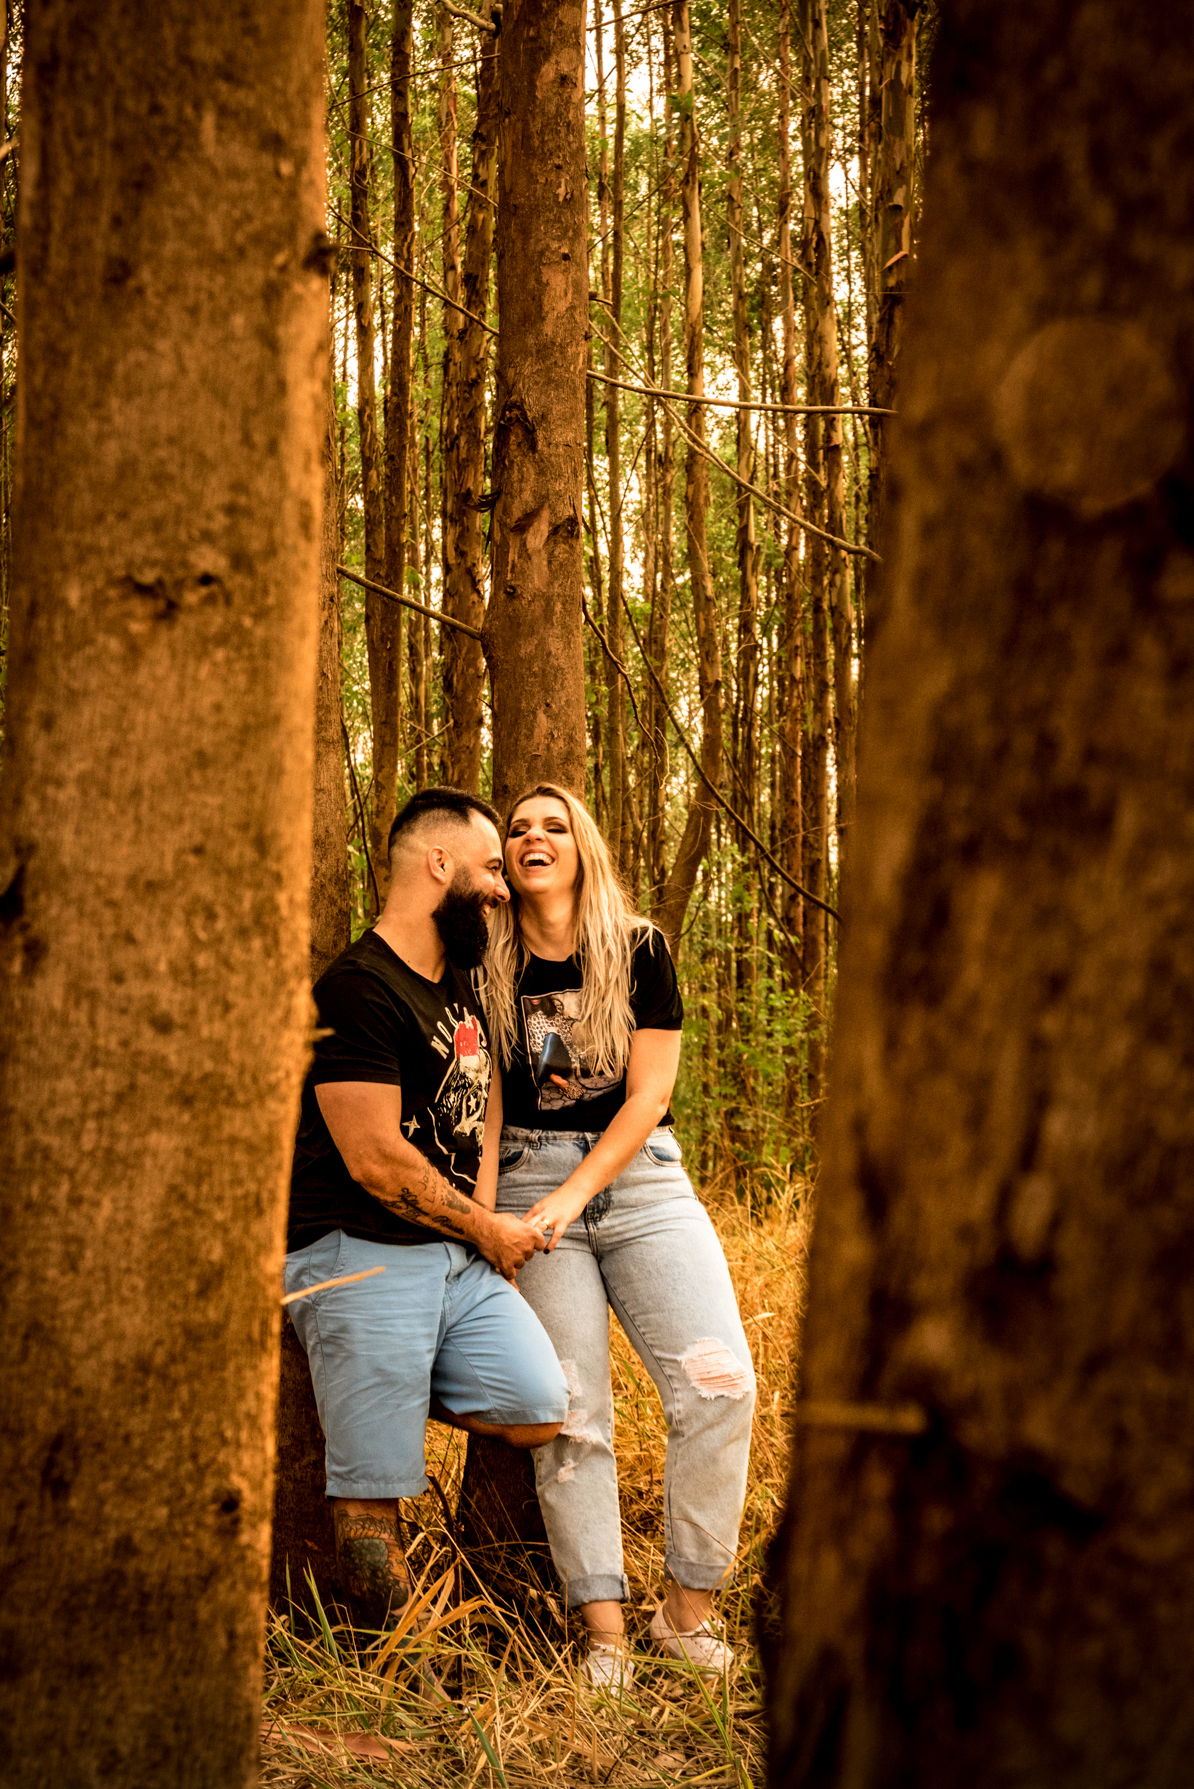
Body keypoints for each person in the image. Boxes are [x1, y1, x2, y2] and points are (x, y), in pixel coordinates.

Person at [481, 783, 756, 1688]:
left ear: (581, 845)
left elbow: (648, 1096)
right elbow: (483, 1105)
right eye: (518, 827)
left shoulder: (639, 948)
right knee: (571, 1411)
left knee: (721, 1383)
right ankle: (605, 1633)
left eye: (553, 825)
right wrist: (493, 1215)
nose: (534, 837)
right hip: (524, 1179)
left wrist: (577, 1193)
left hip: (639, 1180)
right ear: (505, 859)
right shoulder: (481, 961)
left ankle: (685, 1614)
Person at [284, 788, 570, 1634]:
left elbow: (483, 1111)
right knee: (372, 1503)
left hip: (453, 1258)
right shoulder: (357, 988)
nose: (502, 888)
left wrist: (477, 1224)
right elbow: (373, 1157)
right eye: (490, 868)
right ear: (436, 864)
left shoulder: (459, 988)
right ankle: (400, 1663)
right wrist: (487, 1229)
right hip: (360, 1252)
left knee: (539, 1403)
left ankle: (389, 1391)